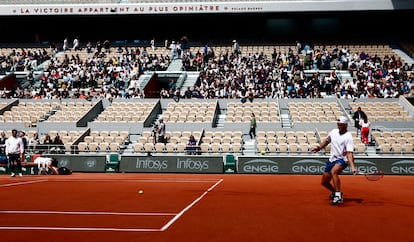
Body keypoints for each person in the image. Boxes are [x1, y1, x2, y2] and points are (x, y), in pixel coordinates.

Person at [311, 116, 357, 205]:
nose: (339, 126)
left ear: (345, 125)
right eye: (338, 124)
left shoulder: (348, 136)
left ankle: (338, 196)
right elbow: (327, 141)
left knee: (334, 172)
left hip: (342, 159)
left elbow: (349, 153)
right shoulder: (333, 132)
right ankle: (334, 191)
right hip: (332, 159)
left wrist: (352, 167)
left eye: (341, 124)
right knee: (324, 182)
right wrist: (319, 148)